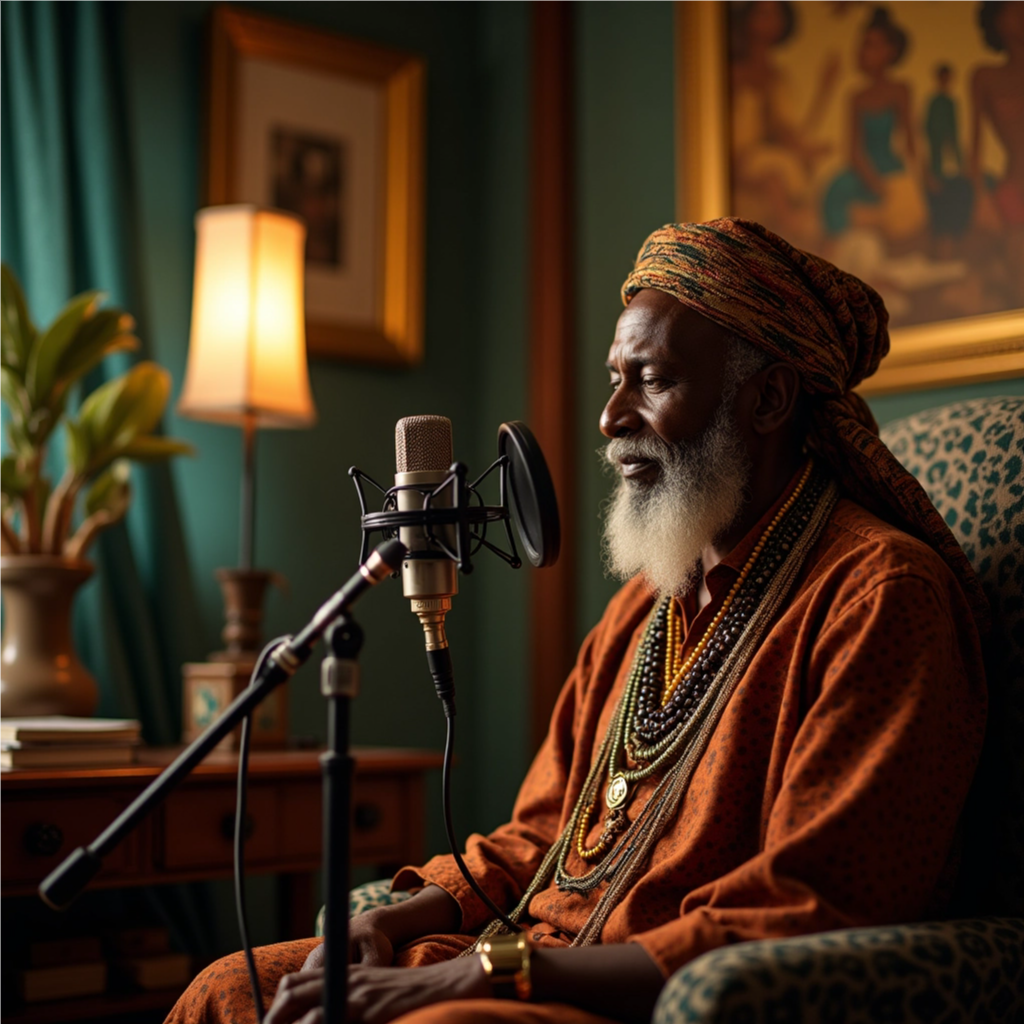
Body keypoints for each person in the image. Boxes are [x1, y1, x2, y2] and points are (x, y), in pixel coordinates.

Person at [168, 218, 988, 1024]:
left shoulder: (880, 597)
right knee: (231, 988)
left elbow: (810, 909)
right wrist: (395, 921)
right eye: (613, 377)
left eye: (653, 380)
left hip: (639, 996)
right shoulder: (647, 605)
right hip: (517, 955)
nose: (609, 417)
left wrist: (488, 978)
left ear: (769, 397)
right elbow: (543, 832)